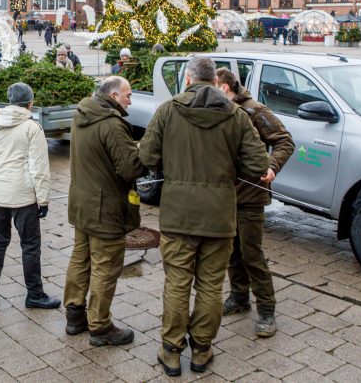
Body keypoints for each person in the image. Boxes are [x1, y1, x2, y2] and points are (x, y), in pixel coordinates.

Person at [138, 57, 269, 376]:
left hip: (178, 215)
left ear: (187, 80)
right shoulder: (236, 115)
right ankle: (201, 350)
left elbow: (147, 156)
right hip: (220, 215)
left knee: (177, 283)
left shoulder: (169, 110)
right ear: (214, 82)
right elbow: (257, 164)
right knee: (211, 286)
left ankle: (170, 351)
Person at [64, 76, 146, 347]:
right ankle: (100, 326)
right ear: (113, 96)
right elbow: (130, 168)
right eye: (128, 95)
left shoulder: (83, 113)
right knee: (106, 266)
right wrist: (142, 151)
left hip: (82, 203)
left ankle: (75, 315)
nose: (130, 100)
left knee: (81, 258)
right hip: (105, 208)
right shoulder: (111, 124)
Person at [216, 68, 294, 338]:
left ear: (224, 87)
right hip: (226, 196)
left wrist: (272, 166)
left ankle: (267, 310)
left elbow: (284, 141)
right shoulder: (220, 109)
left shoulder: (254, 110)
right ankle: (239, 296)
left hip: (250, 196)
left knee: (251, 253)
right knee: (232, 251)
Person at [0, 82, 59, 310]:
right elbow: (39, 167)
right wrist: (43, 199)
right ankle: (34, 295)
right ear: (29, 103)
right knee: (30, 245)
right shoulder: (31, 128)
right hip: (23, 196)